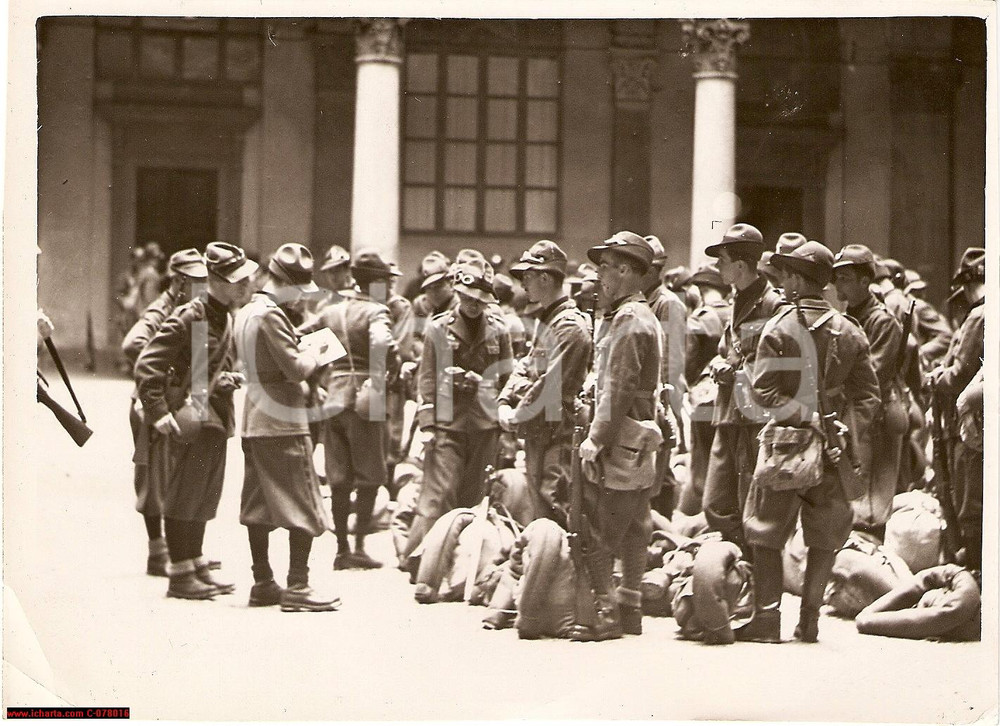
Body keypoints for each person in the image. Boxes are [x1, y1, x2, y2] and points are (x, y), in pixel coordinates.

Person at [740, 241, 880, 643]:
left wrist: (806, 418)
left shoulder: (778, 328)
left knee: (766, 530)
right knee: (825, 535)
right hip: (835, 448)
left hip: (786, 446)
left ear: (800, 280)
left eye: (786, 275)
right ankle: (810, 622)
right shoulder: (850, 331)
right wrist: (844, 430)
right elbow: (869, 396)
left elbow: (763, 394)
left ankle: (767, 622)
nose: (781, 282)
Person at [135, 242, 257, 600]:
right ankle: (179, 574)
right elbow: (147, 364)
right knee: (182, 495)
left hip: (215, 416)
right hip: (191, 418)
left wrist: (227, 377)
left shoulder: (226, 317)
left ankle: (195, 563)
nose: (244, 286)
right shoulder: (192, 316)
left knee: (204, 494)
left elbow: (204, 365)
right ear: (214, 280)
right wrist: (157, 412)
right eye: (236, 281)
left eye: (245, 280)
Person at [236, 243, 340, 612]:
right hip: (283, 421)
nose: (301, 299)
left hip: (255, 419)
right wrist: (315, 352)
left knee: (259, 504)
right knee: (304, 500)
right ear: (287, 284)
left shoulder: (248, 311)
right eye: (299, 291)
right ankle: (298, 584)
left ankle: (262, 581)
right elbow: (295, 369)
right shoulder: (272, 316)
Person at [577, 231, 663, 639]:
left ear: (627, 271)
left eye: (607, 267)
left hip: (622, 431)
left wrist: (596, 438)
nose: (600, 276)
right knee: (635, 524)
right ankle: (629, 608)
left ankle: (604, 616)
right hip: (639, 430)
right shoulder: (636, 315)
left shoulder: (630, 320)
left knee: (602, 525)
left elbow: (618, 386)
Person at [404, 257, 514, 561]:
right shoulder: (439, 327)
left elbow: (509, 379)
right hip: (446, 422)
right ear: (457, 292)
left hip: (485, 423)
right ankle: (421, 561)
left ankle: (460, 564)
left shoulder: (500, 329)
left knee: (475, 498)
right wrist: (426, 424)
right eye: (467, 298)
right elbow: (425, 377)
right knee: (439, 495)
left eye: (479, 300)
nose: (473, 305)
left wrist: (487, 389)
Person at [303, 249, 401, 570]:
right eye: (385, 281)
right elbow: (383, 343)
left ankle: (341, 549)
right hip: (365, 400)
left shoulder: (332, 311)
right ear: (375, 283)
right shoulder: (376, 312)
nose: (388, 288)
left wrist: (318, 377)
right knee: (370, 474)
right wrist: (381, 374)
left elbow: (302, 337)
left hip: (334, 397)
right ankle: (358, 545)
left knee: (339, 476)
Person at [122, 248, 208, 577]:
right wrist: (163, 371)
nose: (204, 286)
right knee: (152, 480)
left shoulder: (188, 309)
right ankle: (157, 552)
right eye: (198, 281)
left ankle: (169, 551)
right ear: (180, 282)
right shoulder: (162, 309)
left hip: (170, 402)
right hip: (152, 404)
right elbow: (133, 345)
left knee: (169, 478)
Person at [498, 240, 592, 528]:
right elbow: (524, 366)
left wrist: (516, 414)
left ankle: (567, 570)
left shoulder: (570, 326)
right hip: (541, 428)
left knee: (556, 504)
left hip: (559, 430)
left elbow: (549, 384)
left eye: (527, 276)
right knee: (540, 504)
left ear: (545, 278)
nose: (523, 284)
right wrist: (504, 400)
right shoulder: (549, 322)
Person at [701, 223, 782, 553]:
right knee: (715, 503)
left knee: (749, 499)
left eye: (722, 260)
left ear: (740, 265)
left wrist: (735, 370)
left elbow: (775, 363)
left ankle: (749, 569)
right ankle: (740, 556)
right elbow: (729, 347)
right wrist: (720, 365)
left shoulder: (772, 304)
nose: (717, 267)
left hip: (755, 416)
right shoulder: (736, 300)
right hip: (728, 411)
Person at [832, 245, 905, 539]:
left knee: (872, 505)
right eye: (836, 277)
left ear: (865, 281)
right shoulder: (847, 318)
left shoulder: (882, 321)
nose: (838, 284)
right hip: (854, 415)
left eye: (846, 277)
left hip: (877, 418)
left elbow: (870, 377)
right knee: (854, 495)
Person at [925, 248, 985, 571]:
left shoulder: (979, 315)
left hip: (969, 426)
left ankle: (973, 580)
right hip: (975, 423)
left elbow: (959, 374)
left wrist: (935, 376)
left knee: (968, 506)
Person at [683, 263, 732, 513]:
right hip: (730, 398)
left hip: (703, 397)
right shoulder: (734, 312)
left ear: (701, 289)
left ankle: (703, 513)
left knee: (702, 458)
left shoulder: (700, 317)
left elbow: (688, 362)